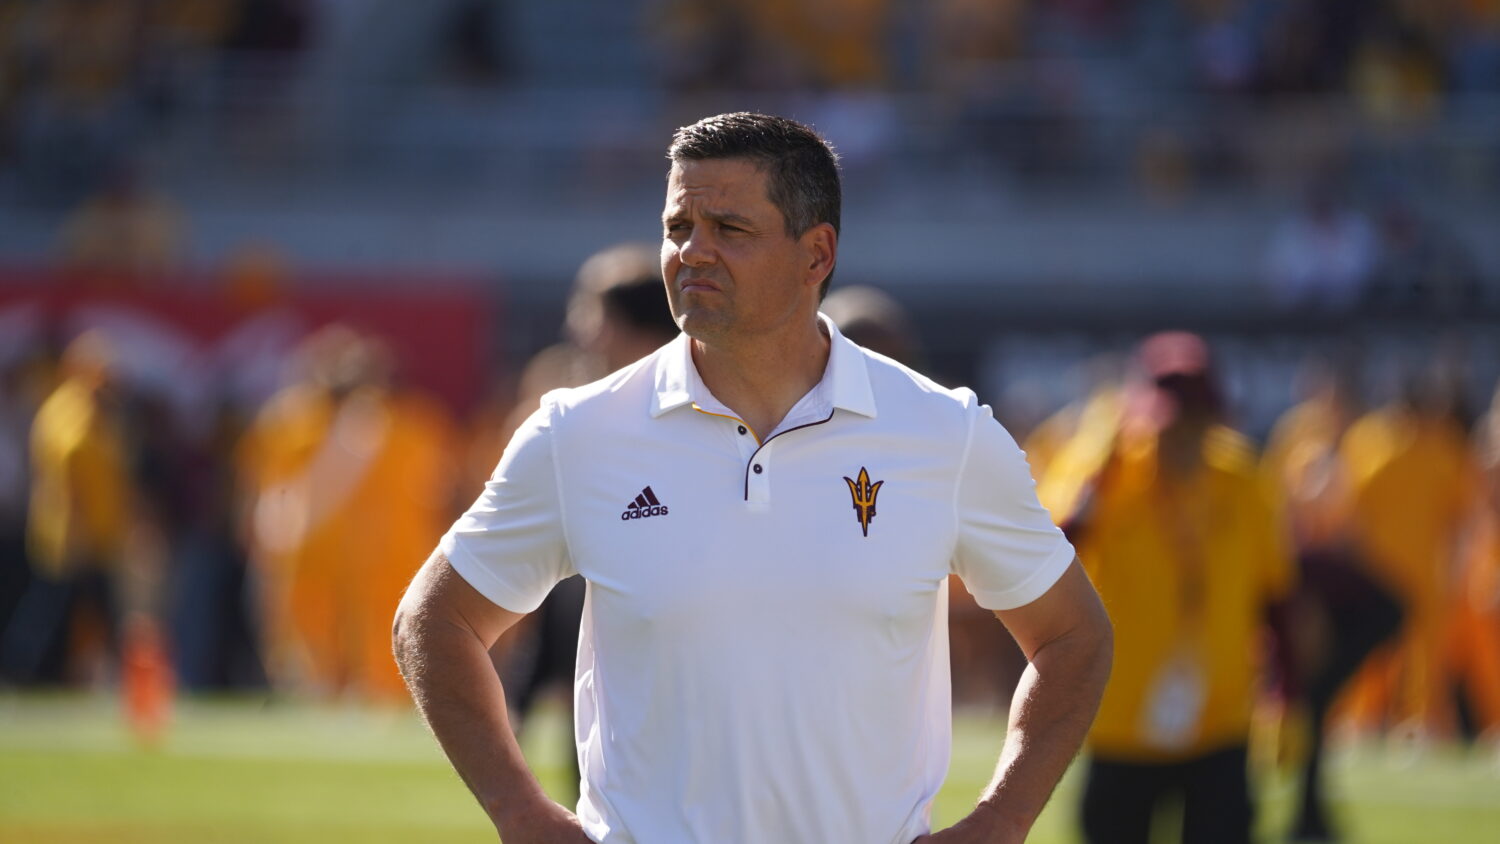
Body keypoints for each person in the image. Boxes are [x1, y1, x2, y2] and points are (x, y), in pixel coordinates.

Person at [393, 112, 1113, 844]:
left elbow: (1073, 638)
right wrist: (521, 813)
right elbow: (433, 620)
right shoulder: (577, 432)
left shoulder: (944, 433)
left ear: (816, 253)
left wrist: (1002, 820)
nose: (692, 253)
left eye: (729, 230)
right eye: (679, 226)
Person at [1038, 331, 1293, 844]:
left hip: (1219, 720)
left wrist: (1289, 688)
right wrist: (1097, 468)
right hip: (1121, 721)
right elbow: (1046, 556)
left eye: (1196, 421)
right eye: (1172, 421)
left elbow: (1277, 597)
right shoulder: (1106, 478)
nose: (1183, 436)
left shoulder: (1242, 480)